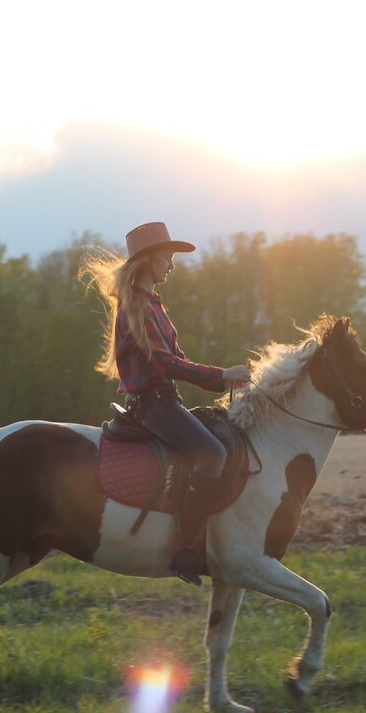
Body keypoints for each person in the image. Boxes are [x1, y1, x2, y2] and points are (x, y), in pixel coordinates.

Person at [79, 222, 251, 585]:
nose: (172, 265)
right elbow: (164, 364)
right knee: (213, 454)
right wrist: (221, 375)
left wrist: (222, 381)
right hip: (153, 405)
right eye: (168, 257)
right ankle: (186, 547)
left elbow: (178, 359)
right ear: (148, 260)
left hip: (164, 401)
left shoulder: (153, 305)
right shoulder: (137, 307)